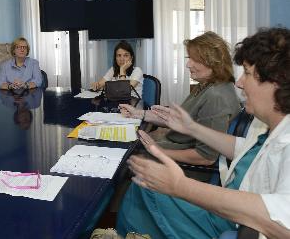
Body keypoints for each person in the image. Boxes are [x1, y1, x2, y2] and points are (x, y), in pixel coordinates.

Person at [117, 27, 290, 239]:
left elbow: (282, 221)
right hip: (229, 206)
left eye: (246, 72)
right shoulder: (264, 124)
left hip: (230, 221)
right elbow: (242, 148)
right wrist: (192, 127)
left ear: (276, 82)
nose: (239, 82)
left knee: (141, 186)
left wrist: (180, 186)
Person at [120, 32, 240, 166]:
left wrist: (156, 150)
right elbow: (180, 121)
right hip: (173, 147)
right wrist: (138, 113)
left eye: (195, 60)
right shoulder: (207, 85)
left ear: (213, 63)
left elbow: (206, 157)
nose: (188, 64)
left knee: (126, 157)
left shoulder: (216, 97)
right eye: (189, 58)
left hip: (185, 167)